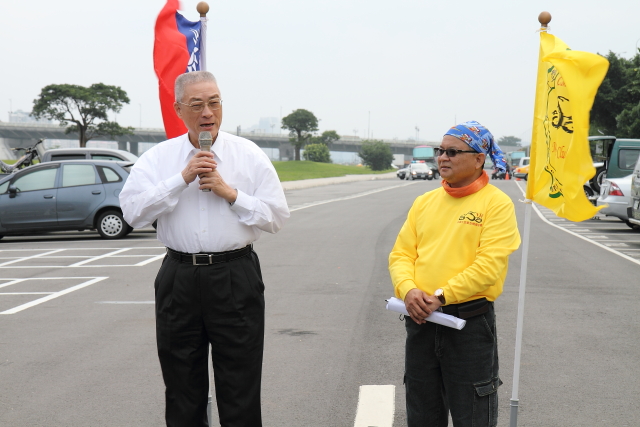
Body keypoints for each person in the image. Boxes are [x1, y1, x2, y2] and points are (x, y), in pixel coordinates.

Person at [119, 71, 289, 427]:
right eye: (197, 104)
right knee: (182, 388)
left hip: (234, 274)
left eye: (214, 102)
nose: (207, 112)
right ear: (179, 109)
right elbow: (133, 213)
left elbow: (276, 217)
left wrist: (232, 195)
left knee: (239, 385)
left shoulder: (248, 155)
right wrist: (180, 179)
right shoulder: (158, 159)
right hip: (178, 277)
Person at [388, 121, 521, 427]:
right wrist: (408, 290)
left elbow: (488, 266)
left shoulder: (496, 204)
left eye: (452, 151)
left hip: (469, 327)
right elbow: (401, 254)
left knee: (473, 415)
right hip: (421, 324)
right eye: (440, 151)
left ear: (478, 159)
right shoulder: (424, 202)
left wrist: (441, 296)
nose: (442, 157)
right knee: (422, 414)